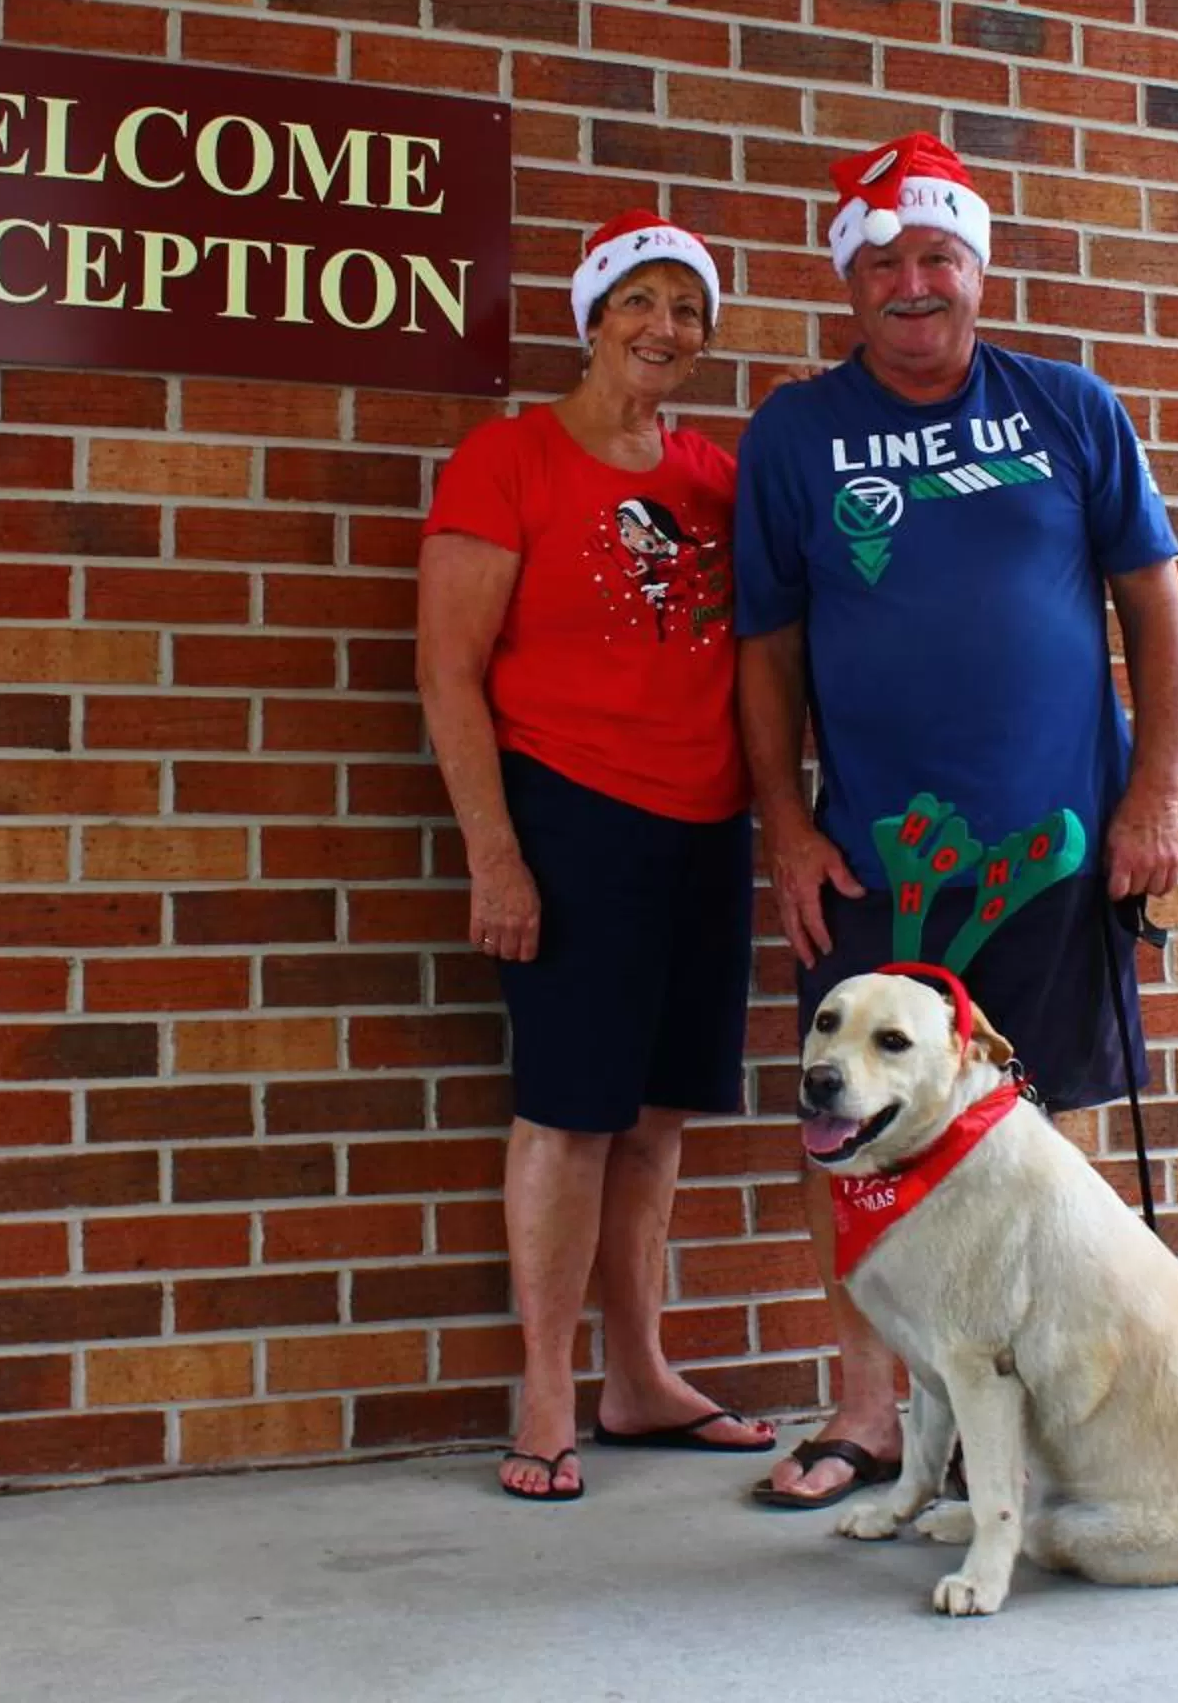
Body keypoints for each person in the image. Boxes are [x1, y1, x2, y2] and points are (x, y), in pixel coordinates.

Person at [732, 134, 1178, 1508]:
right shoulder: (796, 433)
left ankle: (1072, 1405)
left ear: (976, 270)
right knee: (862, 1129)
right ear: (848, 287)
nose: (911, 284)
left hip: (1059, 844)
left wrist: (1153, 795)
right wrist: (788, 828)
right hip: (878, 857)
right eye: (880, 263)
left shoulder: (1068, 407)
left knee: (1050, 1132)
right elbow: (763, 650)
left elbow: (1157, 618)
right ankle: (869, 1413)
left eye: (935, 256)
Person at [416, 210, 780, 1503]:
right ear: (592, 316)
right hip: (572, 816)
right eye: (640, 301)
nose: (664, 328)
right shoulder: (508, 459)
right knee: (569, 1118)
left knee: (658, 1122)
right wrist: (496, 859)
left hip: (704, 826)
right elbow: (449, 676)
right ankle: (548, 1394)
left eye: (688, 308)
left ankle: (639, 1374)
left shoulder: (716, 480)